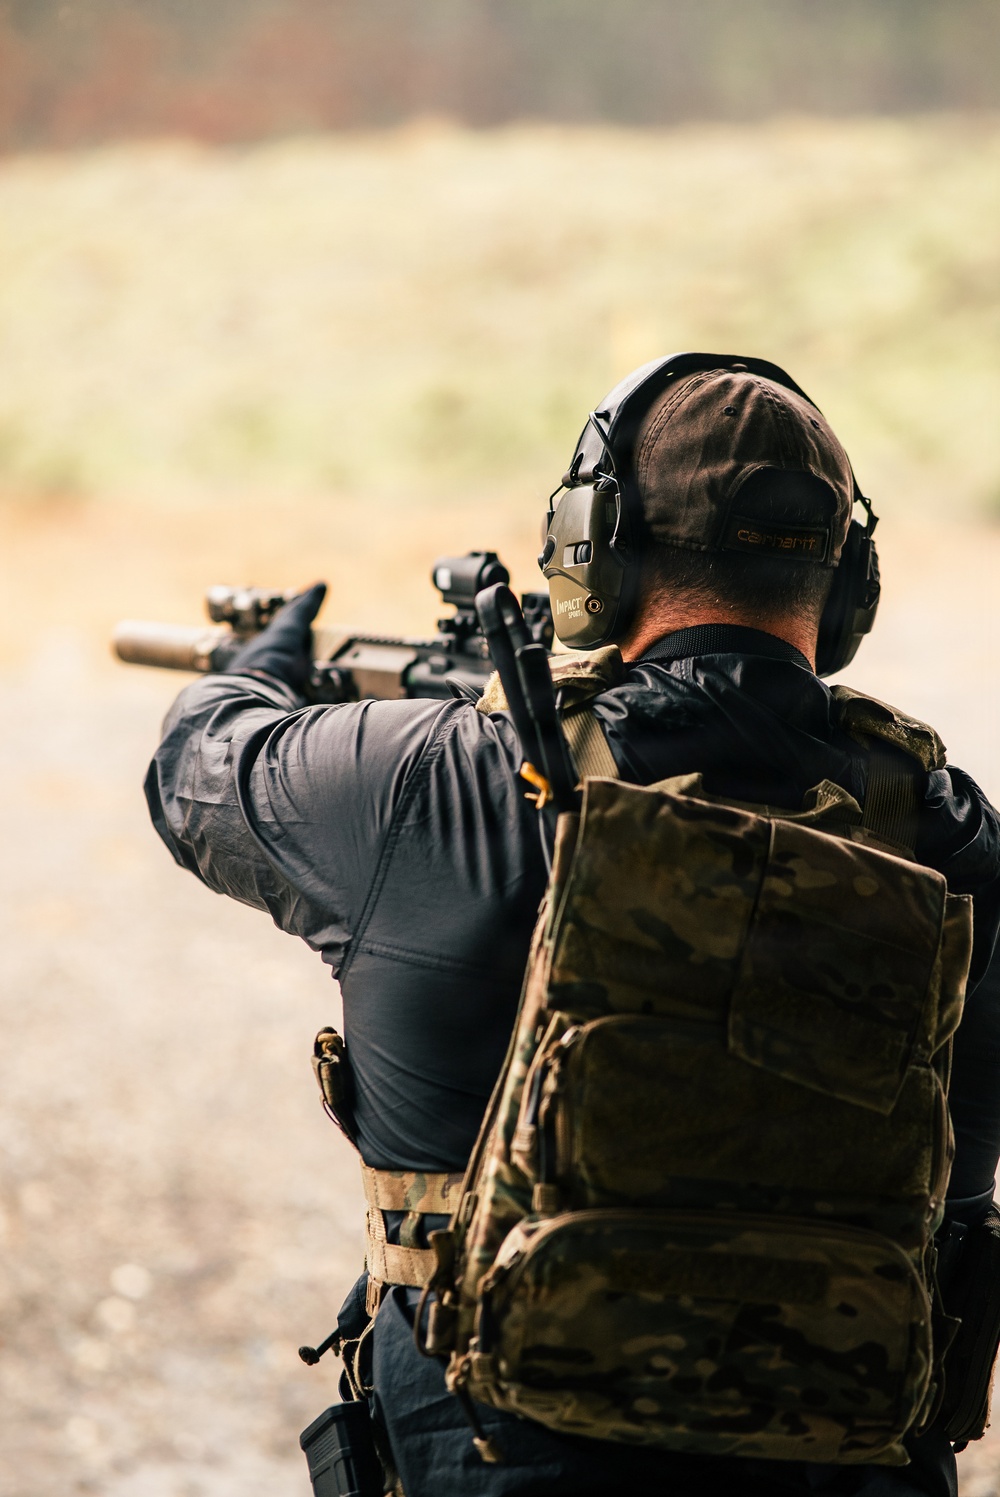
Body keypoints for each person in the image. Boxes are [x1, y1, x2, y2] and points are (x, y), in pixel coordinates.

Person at [146, 356, 1000, 1497]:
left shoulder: (442, 780)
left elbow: (197, 771)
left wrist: (255, 672)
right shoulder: (948, 834)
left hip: (504, 1457)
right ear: (850, 583)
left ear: (591, 550)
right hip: (848, 1458)